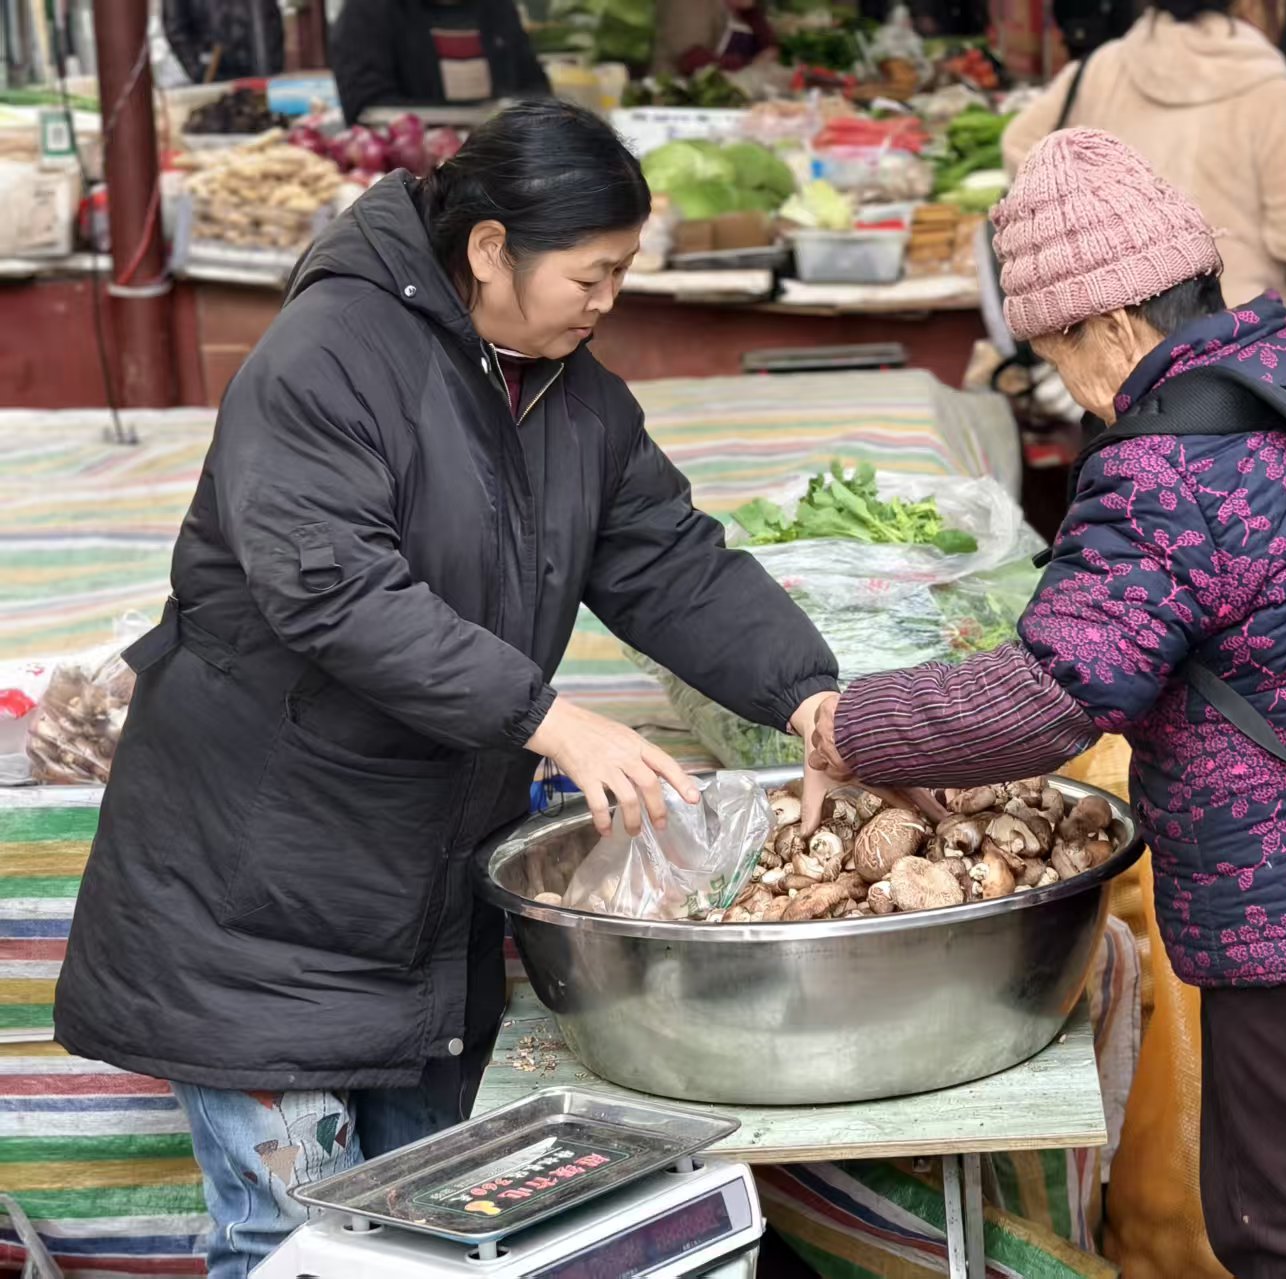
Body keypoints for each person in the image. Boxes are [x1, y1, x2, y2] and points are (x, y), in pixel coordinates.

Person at [52, 101, 839, 1278]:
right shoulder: (328, 356)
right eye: (594, 273)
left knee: (428, 1243)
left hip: (421, 887)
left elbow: (670, 561)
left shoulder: (569, 393)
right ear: (487, 250)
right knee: (287, 1245)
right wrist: (546, 717)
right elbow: (335, 593)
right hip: (261, 888)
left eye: (623, 272)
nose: (610, 301)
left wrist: (813, 697)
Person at [802, 128, 1286, 1279]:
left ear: (1109, 324)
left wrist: (851, 724)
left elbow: (1056, 692)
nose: (1070, 392)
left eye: (1053, 354)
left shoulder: (1164, 464)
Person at [1001, 0, 1286, 310]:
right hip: (1229, 339)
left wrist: (1093, 231)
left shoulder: (1100, 69)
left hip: (1110, 327)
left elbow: (1021, 148)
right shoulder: (1273, 96)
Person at [330, 0, 550, 127]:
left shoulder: (498, 8)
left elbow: (538, 91)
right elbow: (367, 109)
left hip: (500, 169)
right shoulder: (368, 10)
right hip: (410, 178)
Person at [163, 0, 284, 83]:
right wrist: (198, 69)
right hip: (215, 74)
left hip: (263, 73)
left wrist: (274, 63)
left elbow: (271, 17)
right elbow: (176, 28)